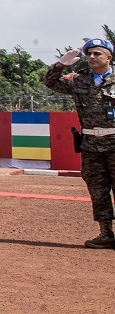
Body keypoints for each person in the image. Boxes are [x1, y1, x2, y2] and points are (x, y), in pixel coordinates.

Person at [45, 38, 115, 248]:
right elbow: (50, 82)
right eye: (89, 54)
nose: (92, 57)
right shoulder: (79, 80)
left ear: (108, 57)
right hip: (91, 145)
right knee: (98, 190)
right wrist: (61, 65)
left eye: (97, 54)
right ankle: (106, 233)